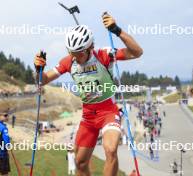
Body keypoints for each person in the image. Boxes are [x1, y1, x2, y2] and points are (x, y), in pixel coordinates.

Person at [34, 13, 143, 176]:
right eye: (71, 52)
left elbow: (137, 52)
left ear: (89, 48)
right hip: (88, 116)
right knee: (80, 162)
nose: (75, 57)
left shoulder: (104, 55)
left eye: (78, 53)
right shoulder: (69, 61)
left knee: (111, 150)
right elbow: (42, 80)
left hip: (108, 112)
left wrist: (117, 30)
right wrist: (38, 69)